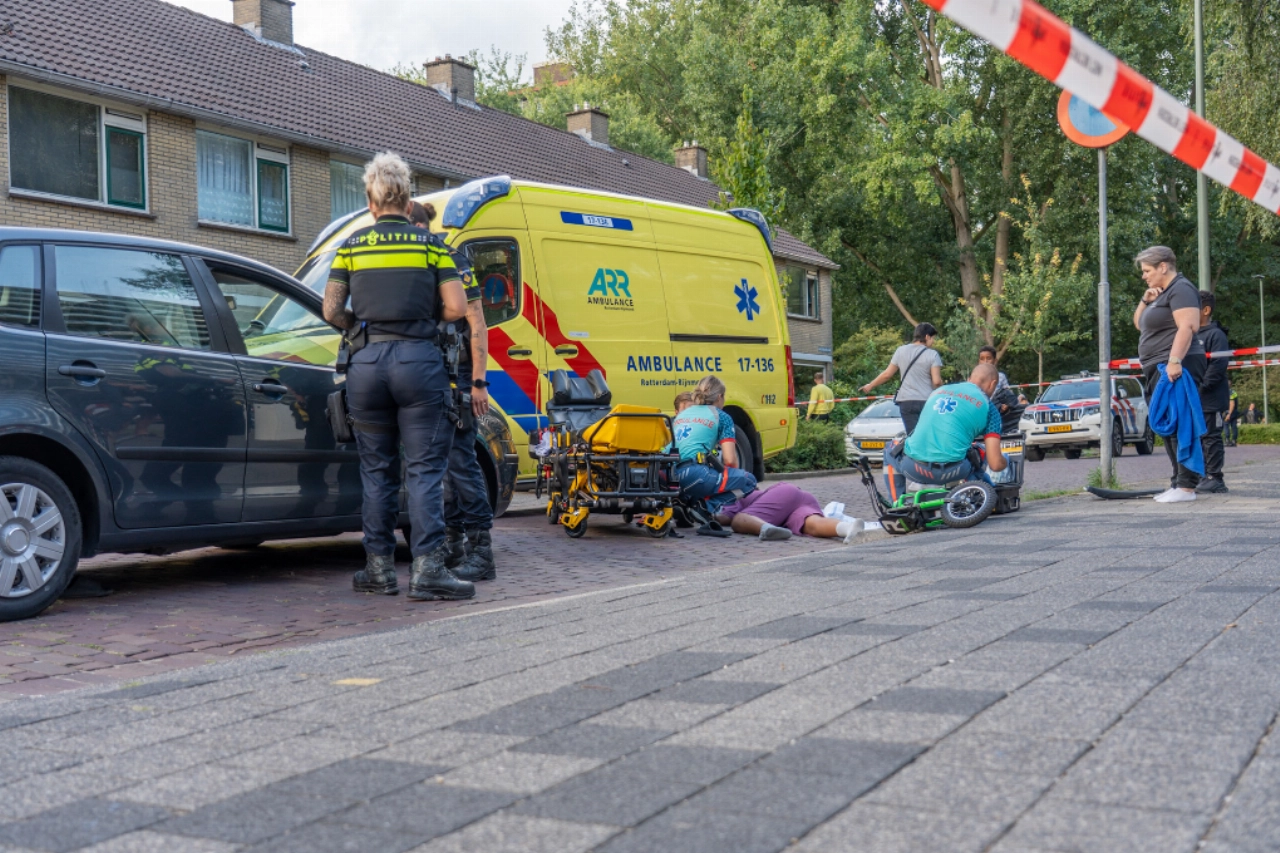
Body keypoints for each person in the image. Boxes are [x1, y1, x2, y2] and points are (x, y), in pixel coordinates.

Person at [323, 152, 473, 601]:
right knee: (425, 470)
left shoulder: (351, 246)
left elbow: (331, 309)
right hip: (418, 363)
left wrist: (359, 327)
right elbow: (457, 308)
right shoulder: (431, 246)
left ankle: (378, 570)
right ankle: (427, 571)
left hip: (366, 367)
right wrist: (422, 317)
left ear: (371, 204)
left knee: (376, 471)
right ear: (408, 203)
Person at [408, 202, 496, 582]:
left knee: (461, 459)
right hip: (429, 370)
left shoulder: (451, 259)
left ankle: (481, 551)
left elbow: (476, 321)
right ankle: (453, 543)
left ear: (417, 226)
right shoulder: (415, 262)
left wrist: (478, 382)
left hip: (457, 372)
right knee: (439, 463)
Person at [672, 391, 864, 543]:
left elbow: (723, 517)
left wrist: (700, 512)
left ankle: (765, 529)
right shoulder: (726, 491)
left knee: (740, 520)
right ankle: (848, 528)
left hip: (782, 495)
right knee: (811, 526)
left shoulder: (727, 499)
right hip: (790, 500)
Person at [1132, 246, 1206, 503]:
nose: (1144, 276)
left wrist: (1175, 361)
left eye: (1147, 271)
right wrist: (1145, 300)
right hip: (1157, 365)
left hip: (1173, 364)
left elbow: (1188, 326)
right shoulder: (1162, 293)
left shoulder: (1181, 288)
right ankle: (1178, 482)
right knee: (1165, 424)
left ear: (1163, 267)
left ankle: (1186, 487)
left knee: (1178, 422)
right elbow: (1139, 324)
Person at [883, 363, 1008, 501]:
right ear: (992, 384)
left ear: (969, 379)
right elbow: (995, 464)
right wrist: (1005, 462)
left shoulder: (937, 392)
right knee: (979, 451)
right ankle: (975, 495)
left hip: (914, 469)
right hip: (956, 472)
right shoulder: (990, 409)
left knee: (890, 449)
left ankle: (896, 503)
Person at [672, 376, 757, 514]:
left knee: (707, 477)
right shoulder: (722, 416)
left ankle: (685, 505)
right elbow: (730, 460)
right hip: (695, 475)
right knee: (748, 481)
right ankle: (705, 509)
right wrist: (734, 478)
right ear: (719, 397)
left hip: (669, 474)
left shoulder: (682, 415)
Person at [860, 322, 943, 434]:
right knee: (926, 435)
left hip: (906, 401)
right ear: (927, 336)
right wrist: (944, 391)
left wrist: (870, 385)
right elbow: (936, 381)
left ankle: (912, 445)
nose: (933, 342)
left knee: (912, 435)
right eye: (933, 338)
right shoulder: (932, 354)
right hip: (926, 401)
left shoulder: (901, 351)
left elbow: (887, 374)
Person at [1196, 291, 1230, 494]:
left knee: (1211, 436)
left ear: (1206, 310)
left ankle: (1214, 478)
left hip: (1211, 398)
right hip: (1194, 398)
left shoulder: (1215, 335)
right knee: (1198, 437)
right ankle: (1200, 475)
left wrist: (1202, 386)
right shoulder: (1190, 334)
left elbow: (1218, 365)